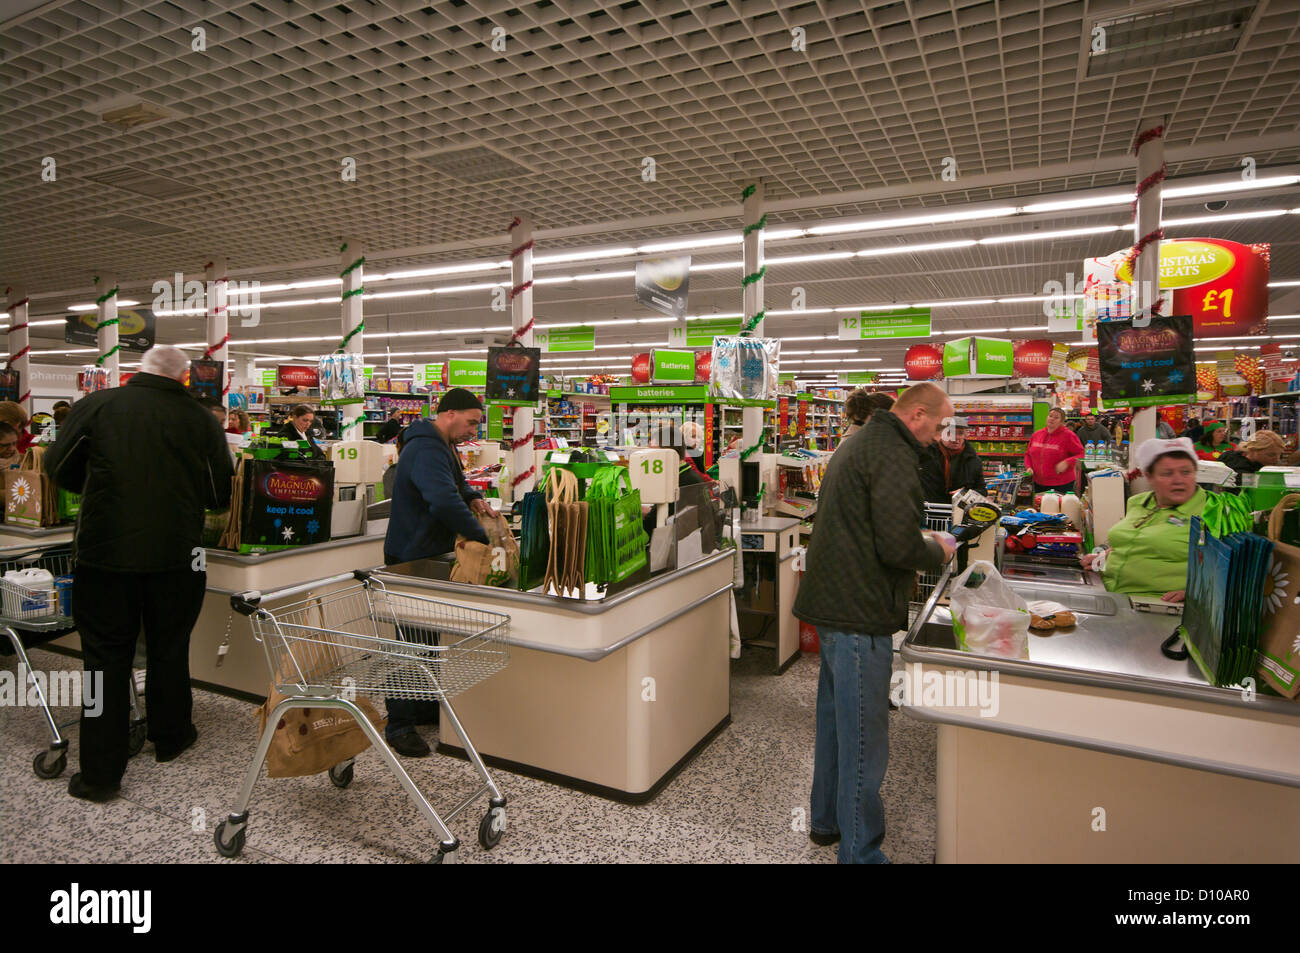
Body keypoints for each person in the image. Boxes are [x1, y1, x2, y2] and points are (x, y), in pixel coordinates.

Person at [43, 346, 235, 802]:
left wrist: (102, 487)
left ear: (139, 372)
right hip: (178, 556)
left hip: (103, 555)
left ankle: (99, 775)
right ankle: (171, 737)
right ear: (185, 377)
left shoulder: (98, 405)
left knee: (102, 662)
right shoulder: (201, 419)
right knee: (170, 647)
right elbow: (217, 492)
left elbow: (57, 466)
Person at [793, 382, 956, 864]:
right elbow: (897, 547)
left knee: (835, 725)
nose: (942, 436)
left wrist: (913, 532)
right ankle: (860, 854)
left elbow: (872, 523)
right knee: (865, 738)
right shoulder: (892, 453)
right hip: (858, 613)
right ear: (918, 415)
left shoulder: (860, 441)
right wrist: (937, 547)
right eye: (941, 425)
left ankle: (826, 822)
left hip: (833, 605)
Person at [382, 387, 492, 757]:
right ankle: (398, 724)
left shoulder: (440, 445)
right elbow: (442, 499)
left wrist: (474, 497)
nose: (474, 431)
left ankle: (423, 704)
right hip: (412, 556)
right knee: (409, 642)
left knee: (427, 637)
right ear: (449, 414)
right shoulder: (427, 447)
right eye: (471, 422)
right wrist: (480, 536)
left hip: (429, 552)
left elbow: (455, 486)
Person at [1079, 437, 1206, 602]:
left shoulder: (1211, 512)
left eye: (1186, 472)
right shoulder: (1139, 502)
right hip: (1107, 592)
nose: (1178, 480)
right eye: (1167, 473)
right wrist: (1101, 557)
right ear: (1149, 476)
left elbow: (1231, 571)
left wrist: (1194, 592)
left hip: (1156, 603)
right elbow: (1130, 543)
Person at [919, 417, 985, 504]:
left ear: (965, 436)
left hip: (959, 512)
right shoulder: (925, 455)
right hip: (930, 511)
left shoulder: (973, 461)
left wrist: (966, 493)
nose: (956, 437)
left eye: (960, 433)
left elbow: (982, 491)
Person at [1024, 407, 1084, 494]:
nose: (1052, 419)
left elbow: (1081, 454)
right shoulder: (1037, 435)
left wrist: (1067, 462)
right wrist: (1029, 467)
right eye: (1050, 416)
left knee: (1059, 507)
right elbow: (1028, 454)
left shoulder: (1068, 436)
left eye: (1056, 417)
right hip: (1039, 483)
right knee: (1042, 506)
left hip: (1062, 484)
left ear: (1061, 421)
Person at [1219, 429, 1284, 473]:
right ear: (1253, 450)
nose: (1277, 459)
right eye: (1271, 455)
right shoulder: (1241, 472)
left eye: (1280, 455)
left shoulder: (1231, 457)